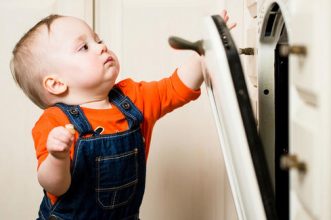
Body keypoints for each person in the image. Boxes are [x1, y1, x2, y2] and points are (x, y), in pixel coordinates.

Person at [10, 10, 235, 220]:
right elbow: (54, 186)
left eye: (98, 40)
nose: (101, 47)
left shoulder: (133, 98)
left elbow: (175, 87)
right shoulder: (55, 123)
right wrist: (57, 158)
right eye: (84, 47)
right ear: (56, 83)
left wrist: (205, 54)